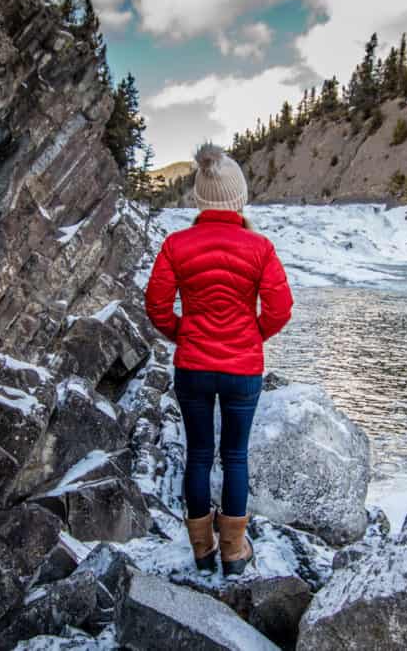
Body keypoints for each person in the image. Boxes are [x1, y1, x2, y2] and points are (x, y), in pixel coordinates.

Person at [144, 143, 293, 575]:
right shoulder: (260, 247)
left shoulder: (177, 244)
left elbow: (156, 307)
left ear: (199, 198)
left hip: (192, 366)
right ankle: (233, 554)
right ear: (238, 198)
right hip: (241, 370)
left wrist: (185, 334)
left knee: (197, 455)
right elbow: (281, 309)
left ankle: (201, 552)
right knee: (235, 457)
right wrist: (251, 336)